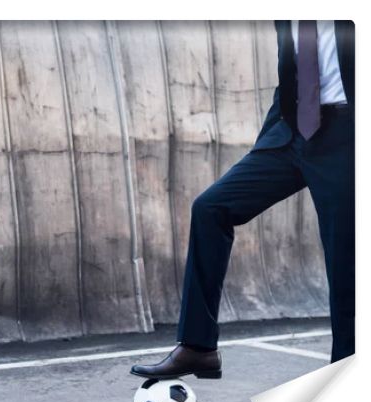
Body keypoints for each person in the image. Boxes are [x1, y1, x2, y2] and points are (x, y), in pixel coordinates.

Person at [130, 20, 355, 379]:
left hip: (348, 135)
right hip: (291, 133)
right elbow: (293, 71)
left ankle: (348, 379)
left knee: (347, 264)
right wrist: (273, 134)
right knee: (211, 208)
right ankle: (198, 347)